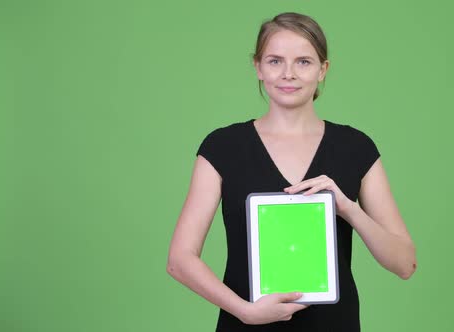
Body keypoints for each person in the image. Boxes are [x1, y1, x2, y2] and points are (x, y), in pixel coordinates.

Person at [166, 12, 417, 331]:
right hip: (247, 324)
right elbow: (180, 260)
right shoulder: (222, 147)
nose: (288, 74)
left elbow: (405, 263)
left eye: (303, 62)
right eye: (274, 61)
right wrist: (244, 311)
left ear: (323, 70)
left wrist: (348, 209)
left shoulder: (356, 148)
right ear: (257, 67)